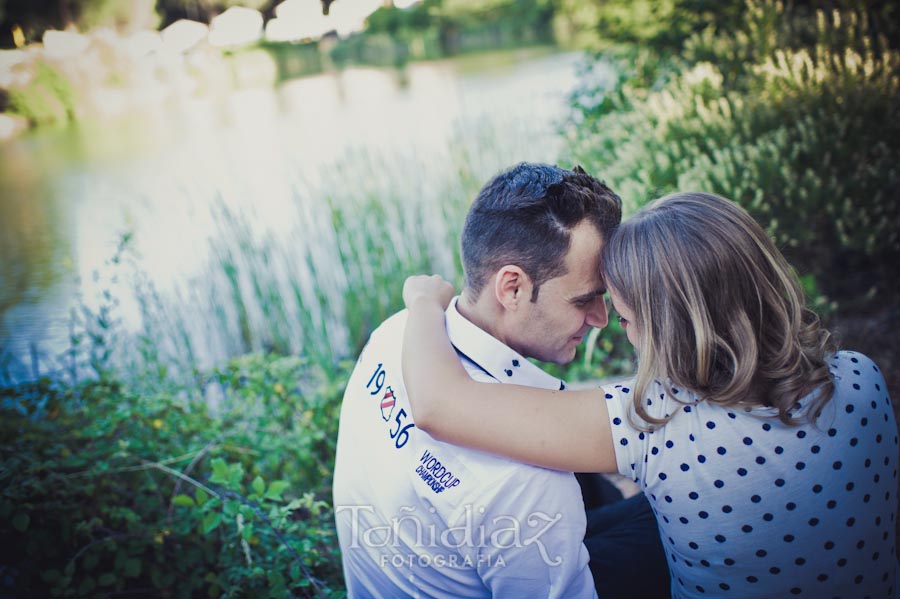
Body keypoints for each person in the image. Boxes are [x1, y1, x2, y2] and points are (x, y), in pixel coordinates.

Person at [401, 191, 898, 599]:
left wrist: (422, 303)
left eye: (625, 319)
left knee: (569, 543)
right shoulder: (862, 378)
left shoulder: (652, 426)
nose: (620, 331)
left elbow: (436, 405)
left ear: (669, 330)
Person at [333, 162, 669, 598]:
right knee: (667, 523)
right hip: (497, 554)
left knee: (642, 509)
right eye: (584, 299)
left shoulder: (397, 331)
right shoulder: (527, 486)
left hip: (414, 563)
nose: (601, 319)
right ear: (511, 288)